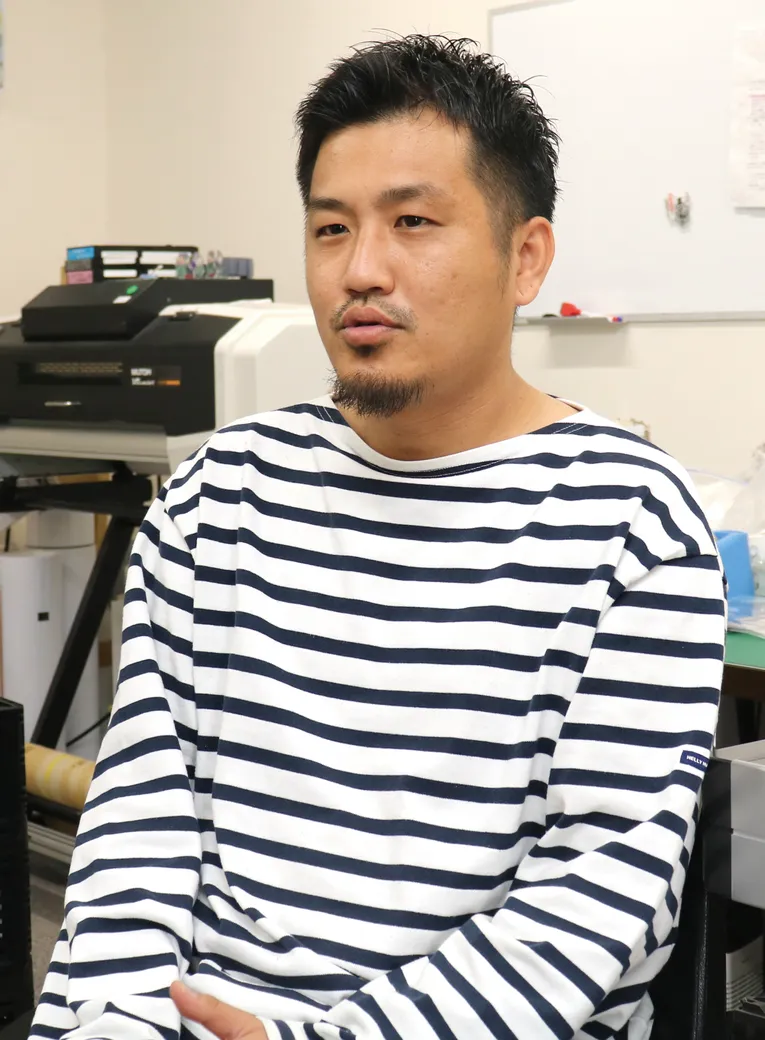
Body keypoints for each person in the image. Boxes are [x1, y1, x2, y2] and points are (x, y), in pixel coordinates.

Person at [31, 35, 724, 1040]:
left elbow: (594, 897)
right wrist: (105, 1020)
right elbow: (142, 817)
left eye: (412, 222)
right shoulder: (219, 494)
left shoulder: (630, 522)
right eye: (330, 228)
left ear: (526, 256)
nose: (361, 269)